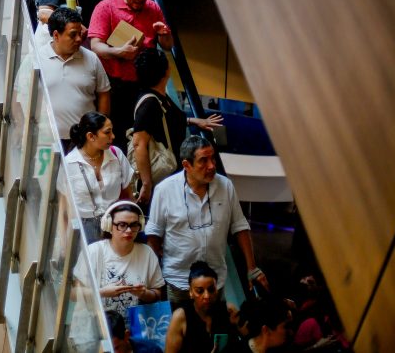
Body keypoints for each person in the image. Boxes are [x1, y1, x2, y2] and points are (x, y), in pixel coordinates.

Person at [146, 136, 269, 304]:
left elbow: (240, 227)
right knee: (182, 328)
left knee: (217, 329)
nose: (211, 165)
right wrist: (156, 275)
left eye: (212, 158)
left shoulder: (225, 186)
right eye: (203, 161)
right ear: (186, 165)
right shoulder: (164, 190)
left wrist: (251, 268)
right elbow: (153, 233)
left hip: (215, 282)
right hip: (178, 281)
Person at [88, 0, 173, 150]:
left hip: (143, 85)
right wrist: (119, 52)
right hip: (112, 84)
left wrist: (163, 34)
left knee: (144, 136)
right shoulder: (106, 7)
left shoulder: (153, 8)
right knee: (115, 135)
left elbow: (167, 45)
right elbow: (95, 45)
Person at [131, 48, 222, 207]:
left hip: (171, 172)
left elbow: (170, 119)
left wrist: (195, 121)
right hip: (160, 176)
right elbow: (139, 144)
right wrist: (146, 184)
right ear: (166, 71)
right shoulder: (149, 103)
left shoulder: (160, 96)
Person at [39, 7, 111, 149]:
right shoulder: (36, 59)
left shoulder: (91, 58)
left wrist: (99, 127)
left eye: (80, 33)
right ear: (56, 35)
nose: (79, 39)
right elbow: (20, 96)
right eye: (73, 35)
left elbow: (104, 93)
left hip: (85, 140)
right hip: (47, 142)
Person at [77, 201, 165, 315]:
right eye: (122, 225)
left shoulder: (147, 253)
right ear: (108, 225)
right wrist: (101, 293)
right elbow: (73, 293)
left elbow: (157, 294)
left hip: (133, 328)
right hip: (98, 325)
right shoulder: (93, 251)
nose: (129, 231)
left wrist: (143, 293)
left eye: (134, 225)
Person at [65, 112, 131, 239]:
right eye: (107, 132)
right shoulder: (69, 164)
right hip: (84, 229)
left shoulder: (116, 155)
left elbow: (128, 195)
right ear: (91, 136)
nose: (113, 136)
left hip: (116, 224)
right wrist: (65, 242)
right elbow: (64, 210)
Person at [163, 262, 239, 353]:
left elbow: (252, 340)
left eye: (211, 290)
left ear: (217, 290)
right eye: (200, 291)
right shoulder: (180, 317)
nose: (207, 296)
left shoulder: (228, 310)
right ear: (190, 292)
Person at [224, 298, 293, 353]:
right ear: (266, 330)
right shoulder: (234, 350)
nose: (290, 331)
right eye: (285, 327)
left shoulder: (282, 348)